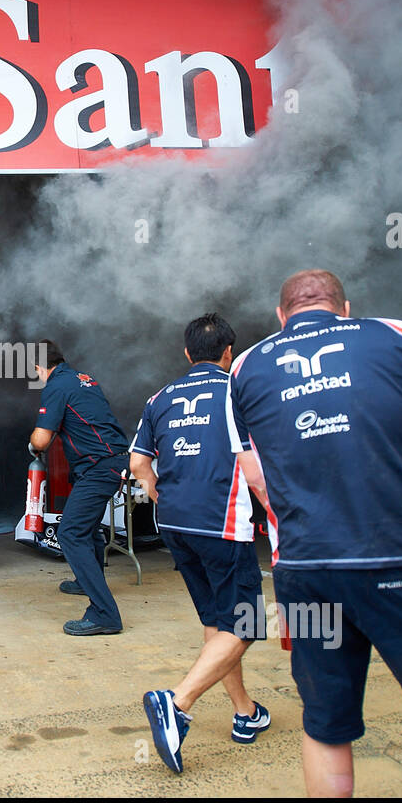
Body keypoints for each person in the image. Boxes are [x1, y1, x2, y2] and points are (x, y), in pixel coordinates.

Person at [226, 269, 402, 797]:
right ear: (345, 308)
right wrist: (398, 487)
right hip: (401, 560)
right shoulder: (398, 335)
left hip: (306, 573)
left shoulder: (245, 365)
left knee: (326, 725)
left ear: (281, 315)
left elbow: (256, 476)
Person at [129, 313, 270, 773]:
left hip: (173, 524)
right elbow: (262, 456)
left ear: (188, 354)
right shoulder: (240, 390)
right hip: (221, 523)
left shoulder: (160, 397)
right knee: (244, 623)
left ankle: (245, 712)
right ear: (229, 352)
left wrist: (159, 494)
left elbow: (137, 463)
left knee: (218, 620)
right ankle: (179, 702)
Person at [29, 340, 129, 635]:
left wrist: (33, 440)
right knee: (88, 528)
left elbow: (41, 440)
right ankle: (85, 581)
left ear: (39, 367)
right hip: (109, 462)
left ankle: (104, 614)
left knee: (70, 533)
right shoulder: (85, 379)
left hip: (99, 466)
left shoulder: (56, 386)